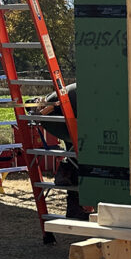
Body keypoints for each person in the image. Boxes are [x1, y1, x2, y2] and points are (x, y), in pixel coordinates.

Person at [33, 83, 89, 220]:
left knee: (76, 154)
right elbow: (40, 114)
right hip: (62, 120)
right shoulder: (68, 96)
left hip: (71, 117)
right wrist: (44, 110)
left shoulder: (80, 93)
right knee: (77, 155)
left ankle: (74, 206)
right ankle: (64, 174)